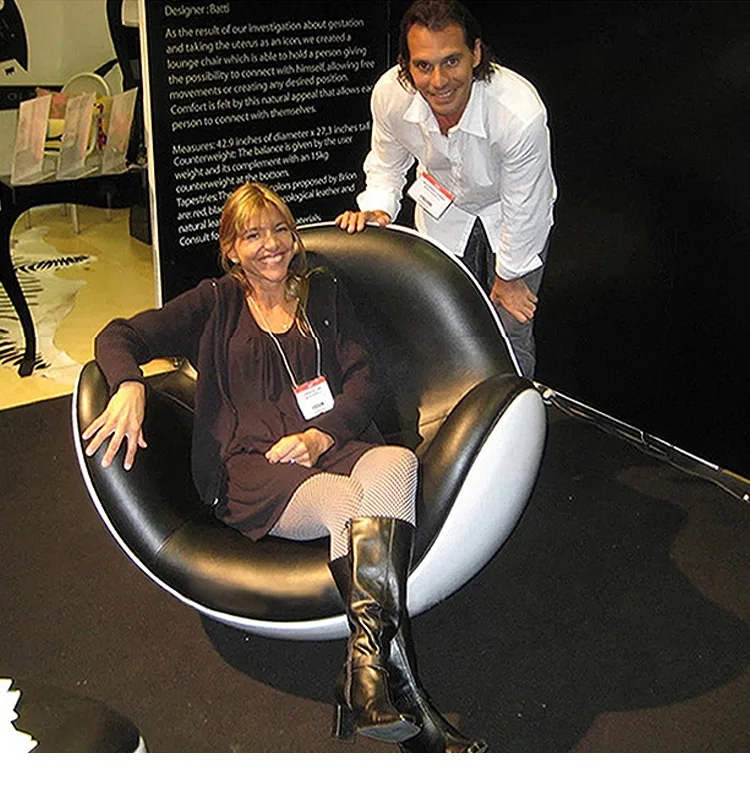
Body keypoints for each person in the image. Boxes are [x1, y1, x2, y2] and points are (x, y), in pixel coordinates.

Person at [81, 181, 486, 753]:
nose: (270, 244)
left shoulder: (322, 292)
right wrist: (128, 384)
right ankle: (410, 708)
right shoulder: (214, 303)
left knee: (397, 462)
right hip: (254, 467)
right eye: (252, 235)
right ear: (231, 249)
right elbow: (117, 336)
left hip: (329, 443)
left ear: (294, 236)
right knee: (348, 506)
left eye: (279, 230)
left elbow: (364, 380)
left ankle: (364, 674)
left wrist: (321, 436)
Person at [336, 0, 557, 379]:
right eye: (423, 65)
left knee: (509, 328)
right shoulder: (390, 95)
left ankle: (512, 406)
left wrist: (510, 275)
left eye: (451, 61)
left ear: (476, 53)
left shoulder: (518, 112)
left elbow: (526, 204)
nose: (438, 81)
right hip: (443, 209)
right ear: (406, 65)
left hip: (509, 215)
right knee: (442, 322)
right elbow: (386, 162)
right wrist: (379, 207)